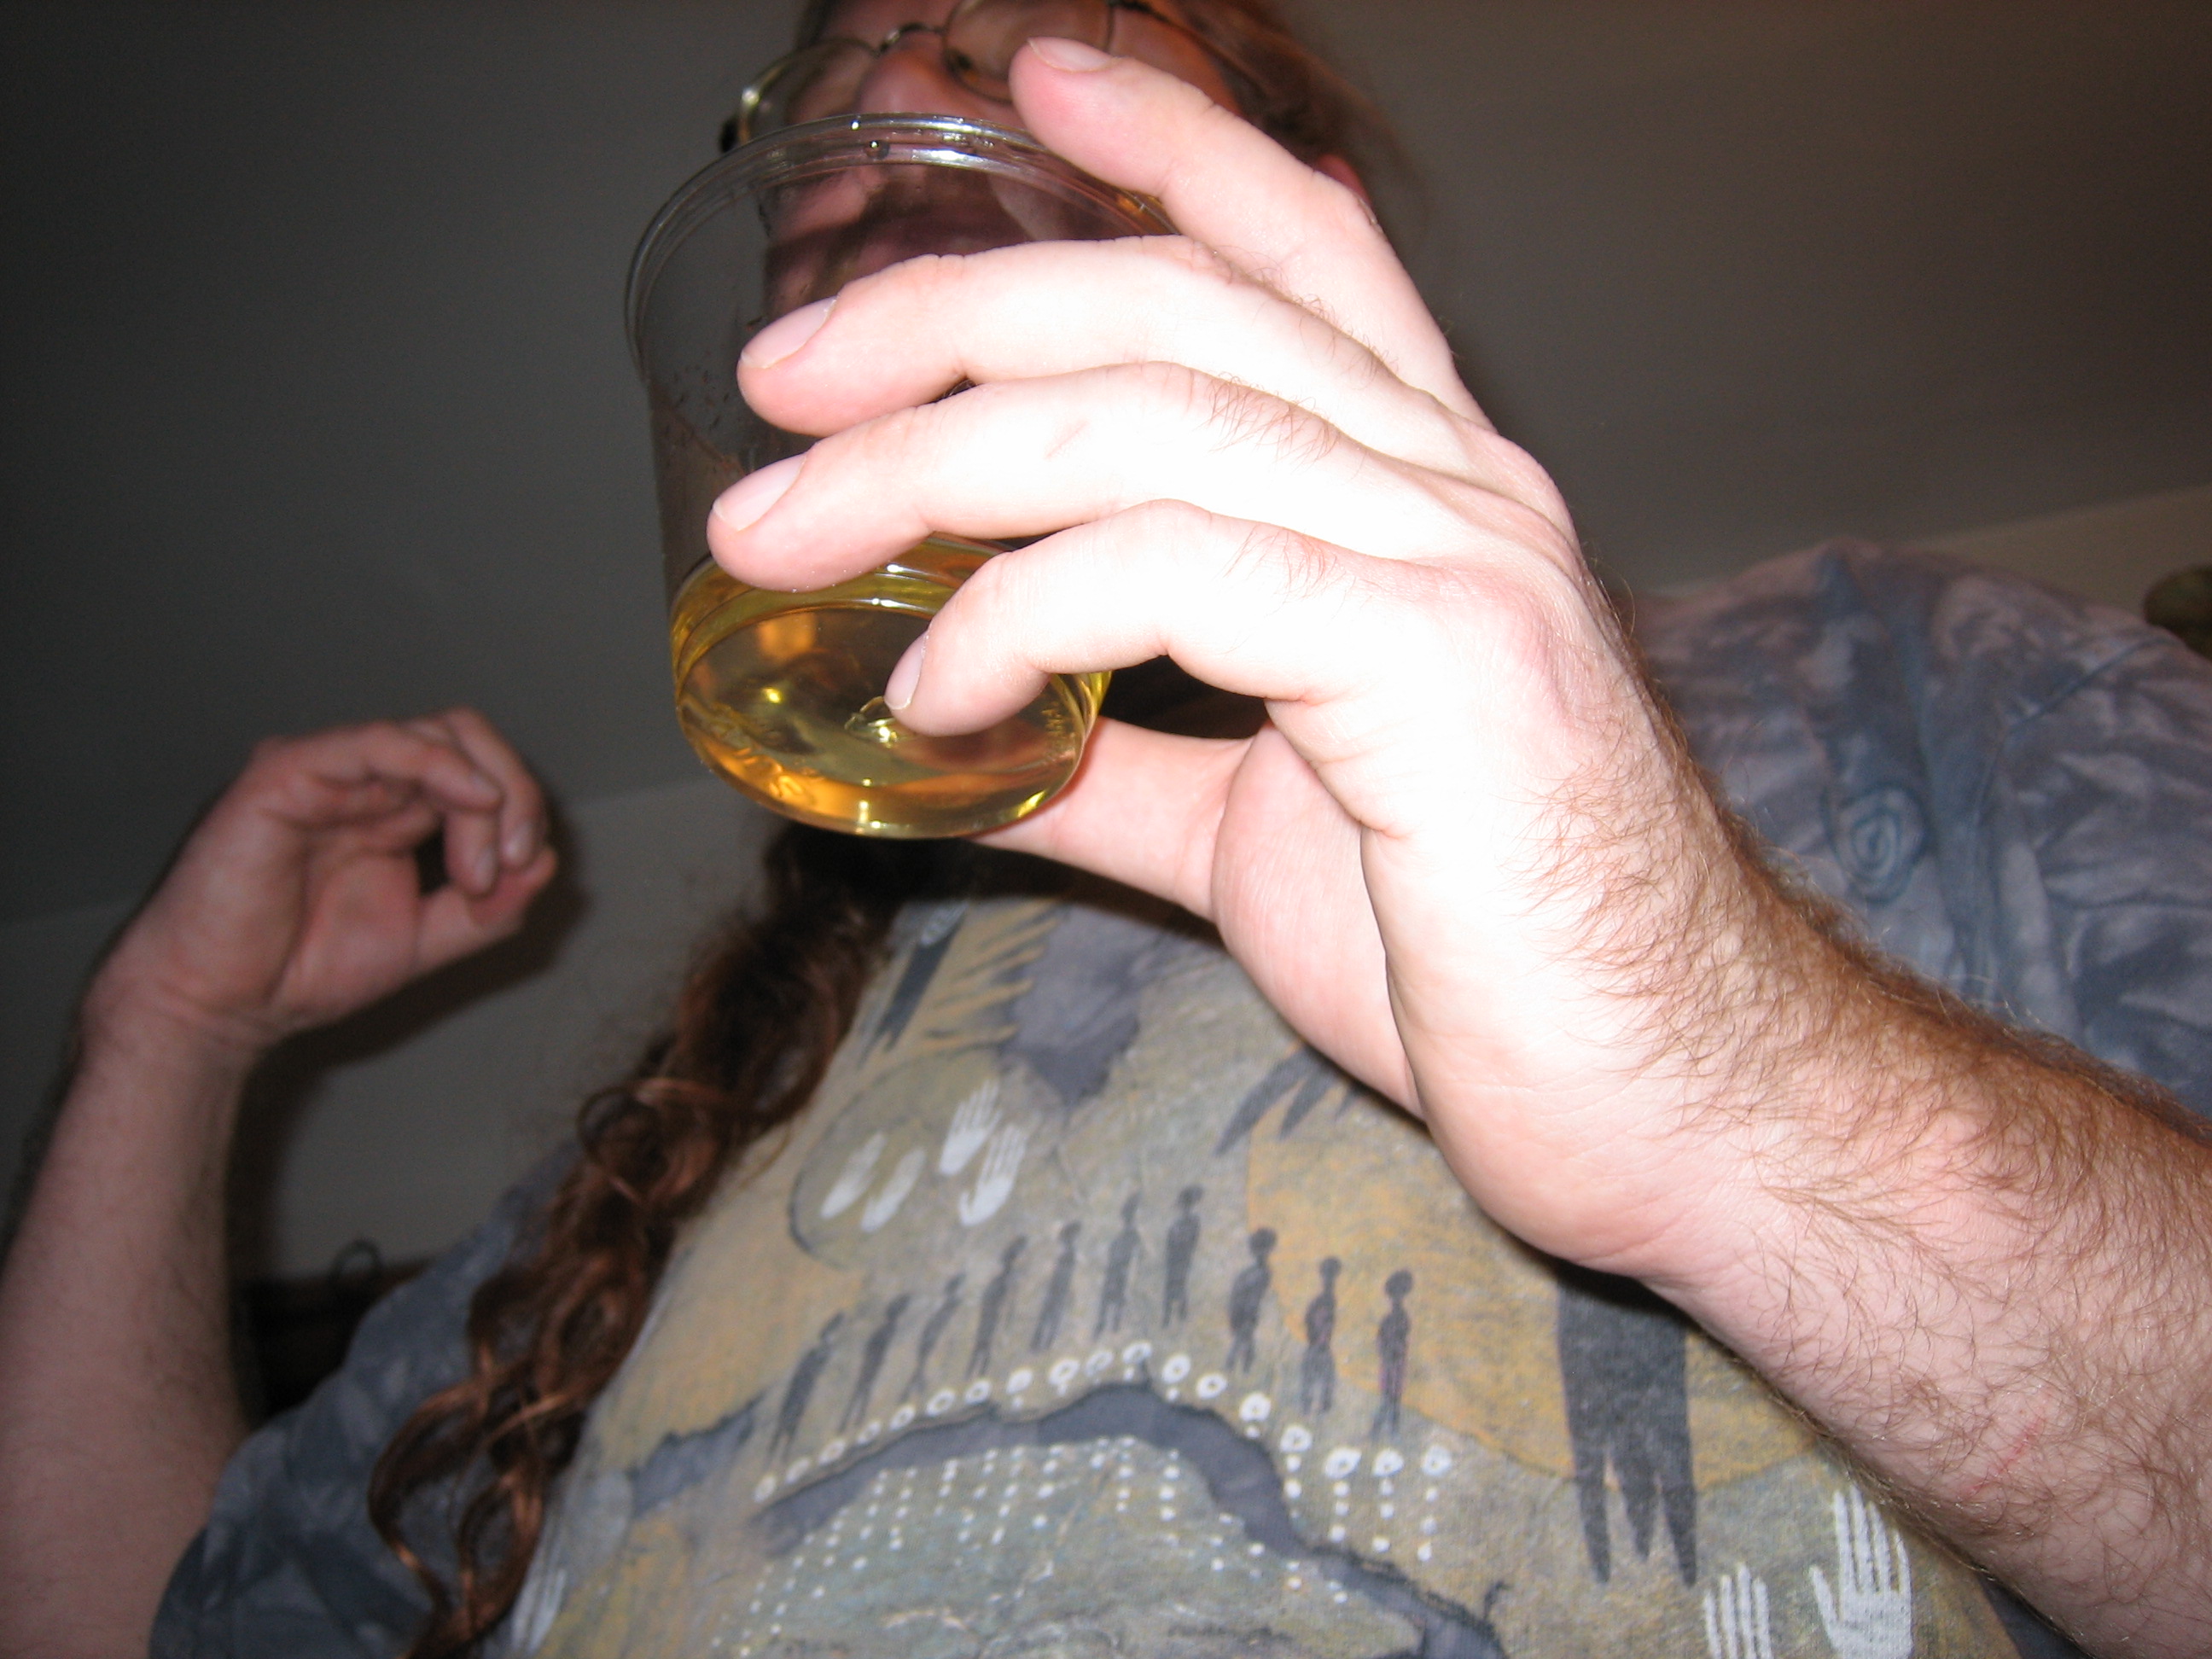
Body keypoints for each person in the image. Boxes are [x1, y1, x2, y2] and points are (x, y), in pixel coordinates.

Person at [3, 2, 2209, 1656]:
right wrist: (167, 1028)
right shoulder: (672, 1141)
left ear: (1273, 212)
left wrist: (1735, 1082)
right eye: (831, 88)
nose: (893, 87)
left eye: (1008, 52)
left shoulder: (1901, 676)